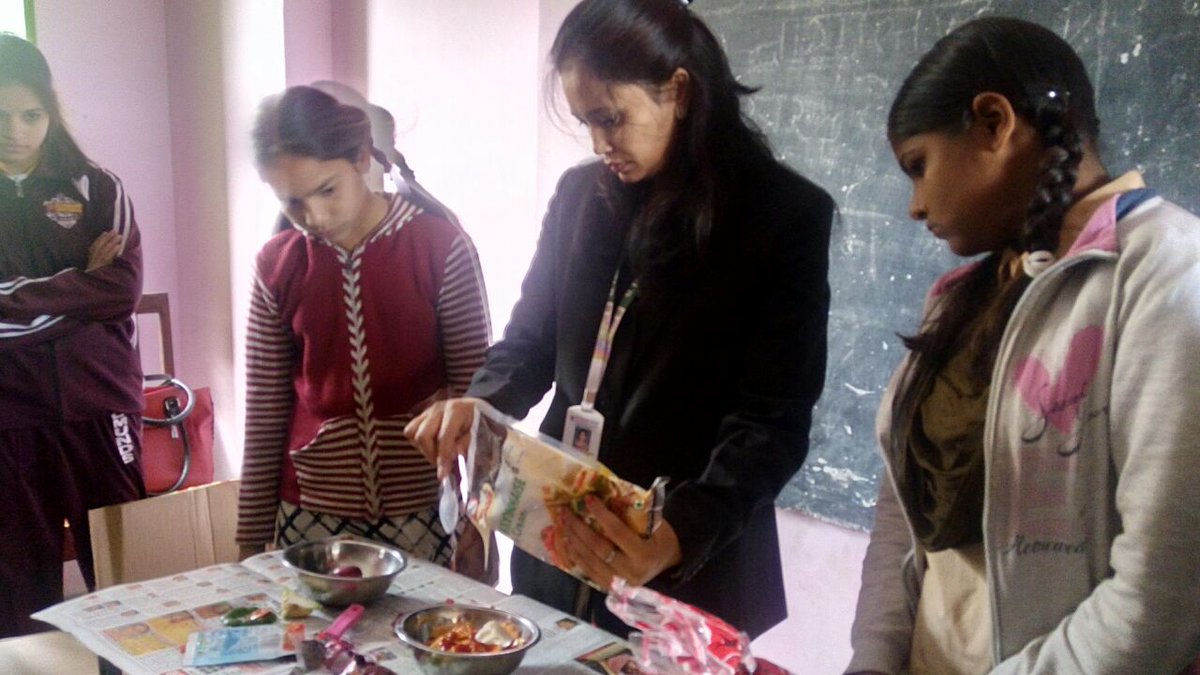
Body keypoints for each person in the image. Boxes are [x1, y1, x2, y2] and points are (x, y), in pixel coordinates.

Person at [406, 0, 833, 639]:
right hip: (557, 547)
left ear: (679, 91)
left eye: (611, 119)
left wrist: (679, 531)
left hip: (688, 568)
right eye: (586, 123)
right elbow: (530, 341)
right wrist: (481, 404)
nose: (601, 143)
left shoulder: (781, 217)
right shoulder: (581, 198)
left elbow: (771, 423)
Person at [846, 17, 1200, 675]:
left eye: (919, 166)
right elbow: (902, 511)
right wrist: (872, 659)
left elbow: (1160, 599)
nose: (915, 207)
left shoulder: (1171, 277)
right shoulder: (962, 296)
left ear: (993, 123)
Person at [234, 86, 494, 581]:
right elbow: (265, 410)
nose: (316, 217)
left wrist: (481, 525)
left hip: (420, 511)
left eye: (326, 190)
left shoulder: (441, 248)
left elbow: (477, 401)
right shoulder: (277, 266)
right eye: (293, 203)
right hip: (309, 519)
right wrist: (249, 540)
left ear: (359, 159)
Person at [0, 34, 145, 637]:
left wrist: (18, 297)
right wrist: (79, 286)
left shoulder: (98, 188)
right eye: (1, 115)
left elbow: (121, 291)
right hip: (10, 415)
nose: (16, 130)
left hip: (100, 403)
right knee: (18, 585)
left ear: (50, 111)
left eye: (30, 114)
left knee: (128, 573)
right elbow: (96, 296)